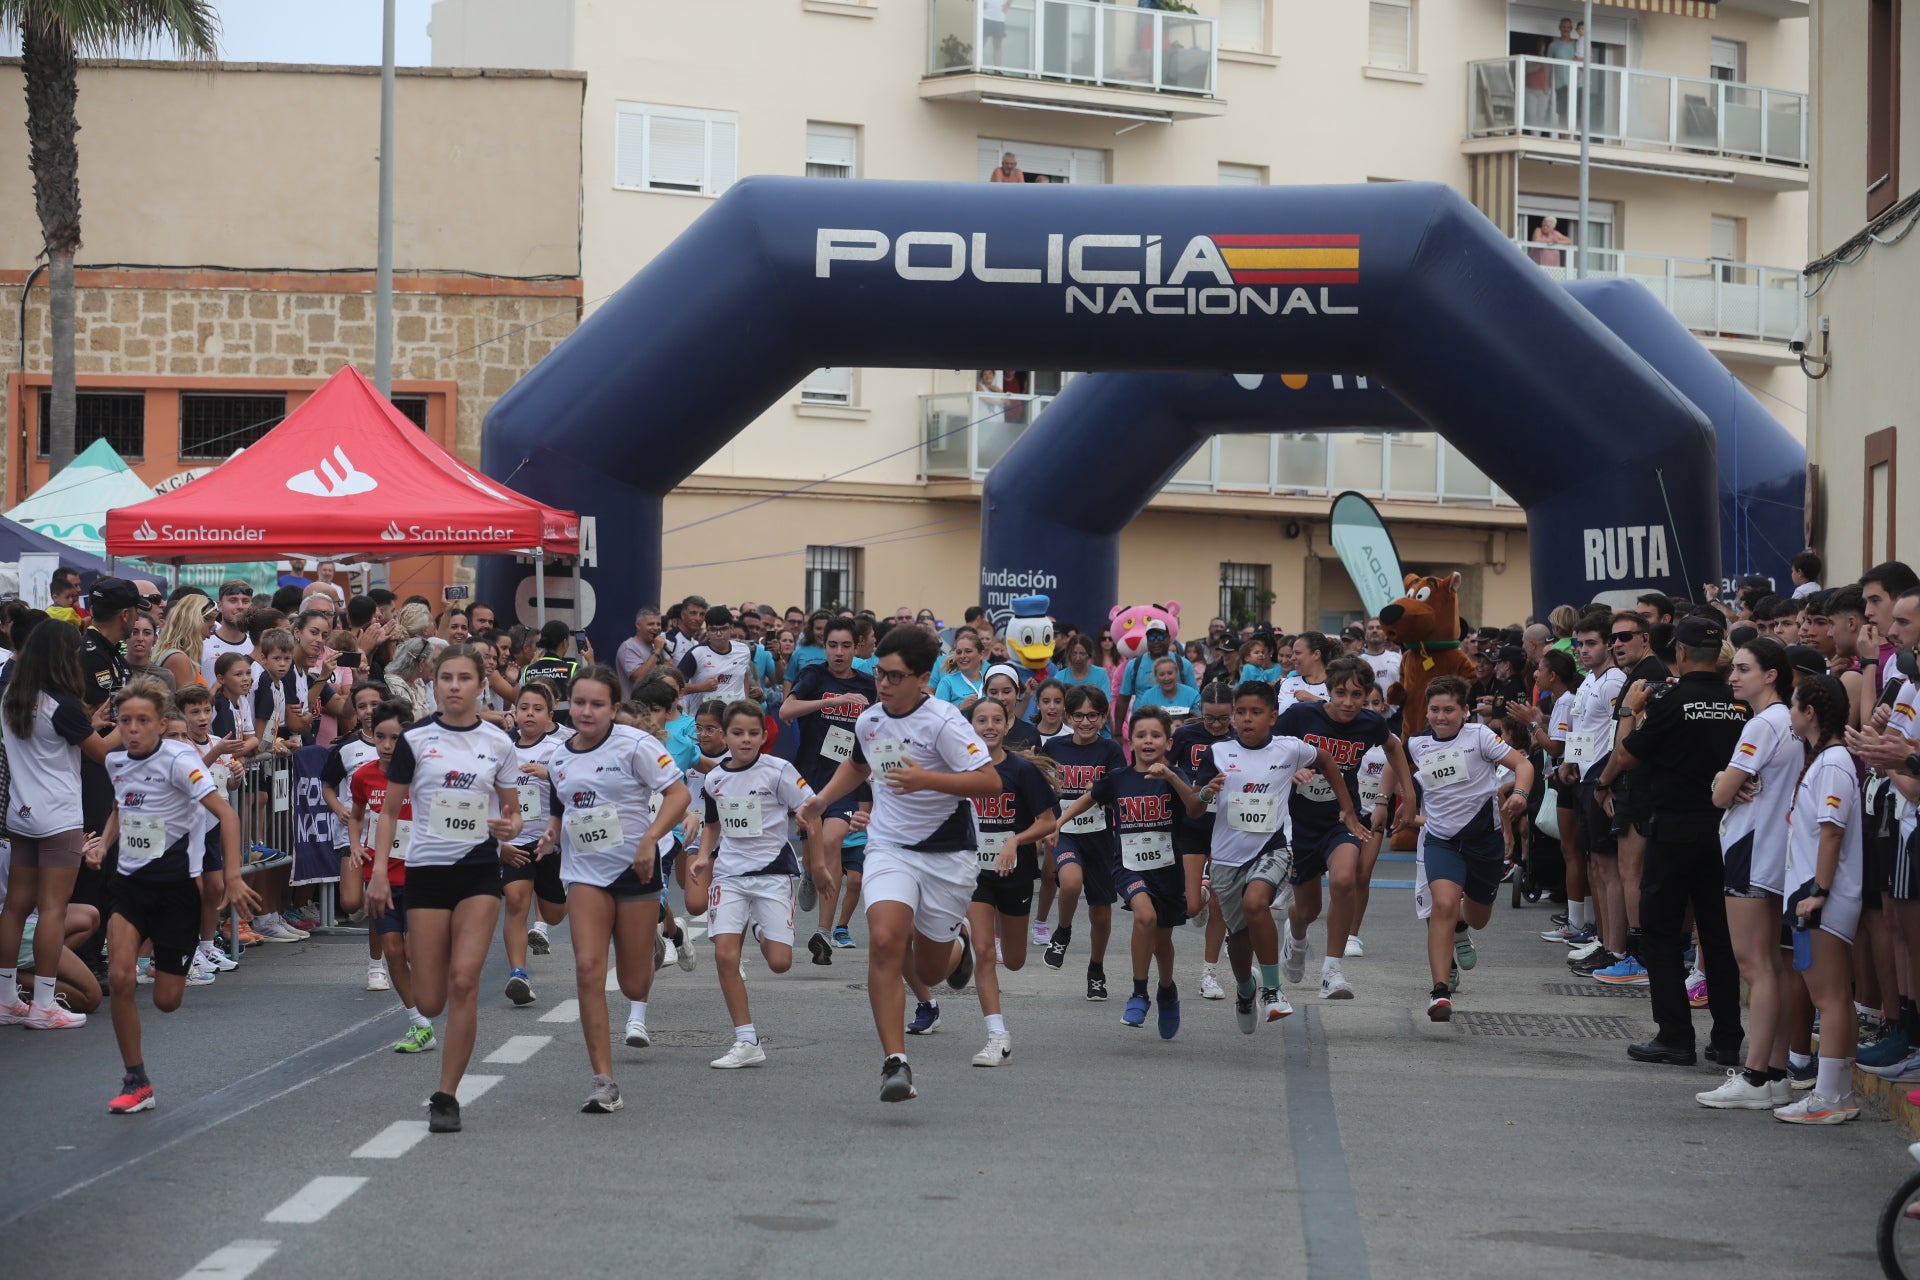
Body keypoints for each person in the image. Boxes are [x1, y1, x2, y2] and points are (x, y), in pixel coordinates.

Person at [798, 624, 1003, 1103]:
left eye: (895, 676)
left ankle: (958, 949)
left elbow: (989, 781)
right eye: (880, 675)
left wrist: (928, 779)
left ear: (922, 677)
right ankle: (896, 1061)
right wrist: (819, 801)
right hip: (888, 846)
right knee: (886, 941)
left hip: (948, 856)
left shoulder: (944, 721)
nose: (884, 685)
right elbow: (858, 763)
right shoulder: (870, 720)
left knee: (930, 971)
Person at [367, 644, 525, 1134]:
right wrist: (377, 872)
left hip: (477, 870)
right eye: (446, 678)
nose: (454, 686)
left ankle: (446, 1094)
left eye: (463, 678)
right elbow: (390, 811)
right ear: (433, 685)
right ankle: (432, 1029)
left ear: (481, 684)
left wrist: (508, 827)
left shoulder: (499, 743)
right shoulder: (416, 739)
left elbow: (513, 811)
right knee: (431, 999)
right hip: (426, 873)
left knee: (464, 982)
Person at [86, 678, 256, 1112]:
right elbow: (122, 807)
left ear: (161, 724)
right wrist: (104, 843)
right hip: (128, 886)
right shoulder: (115, 761)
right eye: (125, 721)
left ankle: (174, 974)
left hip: (177, 891)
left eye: (143, 721)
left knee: (166, 1001)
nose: (133, 729)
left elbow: (226, 816)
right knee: (122, 979)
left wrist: (232, 877)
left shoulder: (181, 761)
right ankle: (136, 1079)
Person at [1603, 614, 1746, 1067]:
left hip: (1674, 829)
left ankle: (1675, 1036)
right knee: (1719, 937)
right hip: (1727, 830)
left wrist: (1630, 709)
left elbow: (1626, 755)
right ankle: (1726, 1040)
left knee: (1662, 933)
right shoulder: (1741, 703)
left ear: (1680, 653)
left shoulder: (1670, 699)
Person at [546, 665, 690, 1111]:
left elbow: (679, 796)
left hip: (636, 870)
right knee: (588, 969)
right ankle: (604, 1082)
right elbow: (560, 802)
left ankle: (648, 942)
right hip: (585, 873)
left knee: (632, 985)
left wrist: (650, 839)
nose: (586, 712)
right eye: (580, 702)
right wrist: (550, 833)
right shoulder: (559, 756)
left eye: (597, 704)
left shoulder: (637, 744)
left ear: (613, 707)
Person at [1190, 680, 1361, 1030]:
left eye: (1256, 713)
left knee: (1257, 904)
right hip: (1226, 858)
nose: (1247, 720)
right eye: (1241, 713)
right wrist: (1207, 792)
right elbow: (1194, 809)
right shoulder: (1218, 753)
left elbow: (1328, 762)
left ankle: (1272, 990)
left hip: (1274, 849)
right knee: (1239, 939)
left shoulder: (1290, 749)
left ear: (1273, 716)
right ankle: (1245, 987)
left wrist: (1348, 810)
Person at [693, 700, 827, 1070]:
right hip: (730, 875)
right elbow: (712, 824)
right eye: (737, 733)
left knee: (780, 963)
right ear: (725, 735)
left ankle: (759, 927)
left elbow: (811, 810)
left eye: (753, 733)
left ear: (765, 735)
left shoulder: (779, 771)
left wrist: (816, 863)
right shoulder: (714, 778)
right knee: (724, 957)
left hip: (773, 873)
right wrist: (704, 856)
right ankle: (746, 1039)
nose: (745, 740)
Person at [1697, 637, 1800, 1108]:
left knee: (1755, 968)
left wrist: (1722, 781)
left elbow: (1720, 794)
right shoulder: (1791, 723)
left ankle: (1757, 1076)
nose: (1733, 677)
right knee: (1774, 967)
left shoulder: (1762, 724)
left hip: (1752, 850)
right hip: (1780, 852)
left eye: (1742, 669)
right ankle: (1775, 1072)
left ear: (1771, 674)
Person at [0, 622, 119, 1030]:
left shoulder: (12, 697)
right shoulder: (64, 704)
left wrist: (88, 721)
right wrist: (134, 722)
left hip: (22, 812)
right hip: (59, 815)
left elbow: (48, 738)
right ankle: (45, 1004)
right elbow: (101, 753)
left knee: (16, 908)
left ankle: (6, 999)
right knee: (52, 909)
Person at [1059, 705, 1205, 1037]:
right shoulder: (1119, 779)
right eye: (1141, 735)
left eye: (1156, 735)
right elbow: (1088, 798)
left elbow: (1196, 808)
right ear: (1130, 740)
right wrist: (1058, 823)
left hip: (1168, 870)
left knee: (1163, 940)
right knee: (1144, 917)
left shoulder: (1177, 777)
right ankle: (1139, 993)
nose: (1148, 740)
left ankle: (1167, 991)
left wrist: (1170, 776)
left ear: (1168, 742)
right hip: (1128, 866)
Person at [1277, 657, 1415, 1001]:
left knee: (1344, 879)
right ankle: (1295, 938)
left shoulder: (1368, 722)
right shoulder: (1300, 716)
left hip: (1343, 816)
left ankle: (1332, 971)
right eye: (1341, 693)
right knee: (1306, 910)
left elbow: (1394, 746)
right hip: (1298, 822)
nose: (1349, 702)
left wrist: (1408, 794)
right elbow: (1269, 750)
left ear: (1367, 693)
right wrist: (1290, 771)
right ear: (1328, 691)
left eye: (1357, 694)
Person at [1404, 677, 1534, 1020]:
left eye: (1449, 710)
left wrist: (1519, 794)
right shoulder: (1417, 744)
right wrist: (1391, 803)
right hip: (1441, 840)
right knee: (1443, 905)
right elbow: (1394, 763)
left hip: (1483, 842)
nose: (1441, 717)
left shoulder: (1478, 737)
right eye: (1434, 710)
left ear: (1464, 711)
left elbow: (1523, 765)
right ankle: (1439, 992)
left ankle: (1462, 930)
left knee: (1477, 917)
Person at [1773, 675, 1865, 1123]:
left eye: (1793, 706)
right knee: (1833, 999)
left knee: (1828, 1000)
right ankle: (1839, 1094)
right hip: (1815, 894)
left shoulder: (1832, 763)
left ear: (1810, 712)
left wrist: (1818, 892)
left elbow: (1832, 832)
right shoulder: (1827, 760)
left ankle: (1829, 1097)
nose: (1790, 714)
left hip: (1821, 898)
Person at [961, 697, 1058, 1064]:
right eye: (981, 720)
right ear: (970, 727)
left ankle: (978, 930)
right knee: (985, 954)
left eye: (995, 720)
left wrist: (1015, 841)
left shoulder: (1021, 771)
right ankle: (996, 1035)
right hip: (974, 874)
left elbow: (1047, 821)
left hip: (1014, 873)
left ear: (1006, 726)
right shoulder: (960, 769)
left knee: (1014, 960)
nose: (988, 726)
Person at [782, 617, 876, 954]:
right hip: (809, 780)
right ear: (825, 647)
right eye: (832, 645)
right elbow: (786, 709)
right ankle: (808, 870)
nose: (839, 652)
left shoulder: (868, 685)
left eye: (846, 646)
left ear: (857, 648)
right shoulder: (813, 676)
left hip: (846, 781)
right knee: (816, 853)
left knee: (834, 840)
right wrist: (831, 702)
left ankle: (823, 932)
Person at [347, 701, 436, 1053]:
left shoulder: (425, 774)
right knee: (393, 950)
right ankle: (419, 1023)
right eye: (379, 737)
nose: (386, 746)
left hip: (420, 878)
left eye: (395, 738)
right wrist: (355, 845)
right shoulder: (363, 776)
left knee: (415, 951)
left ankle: (437, 991)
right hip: (381, 877)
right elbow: (356, 817)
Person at [1042, 684, 1128, 995]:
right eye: (1078, 716)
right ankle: (1063, 931)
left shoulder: (1111, 751)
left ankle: (1096, 968)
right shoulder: (1054, 748)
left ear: (1104, 716)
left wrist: (1107, 796)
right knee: (1070, 882)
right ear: (1067, 716)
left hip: (1101, 837)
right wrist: (1046, 820)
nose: (1086, 722)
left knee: (1101, 912)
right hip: (1065, 833)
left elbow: (1115, 791)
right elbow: (1040, 785)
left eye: (1093, 715)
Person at [499, 683, 570, 1005]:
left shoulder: (562, 747)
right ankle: (518, 973)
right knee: (515, 901)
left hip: (551, 843)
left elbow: (582, 788)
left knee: (554, 914)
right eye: (523, 707)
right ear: (514, 712)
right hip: (515, 841)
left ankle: (553, 907)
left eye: (537, 709)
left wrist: (549, 775)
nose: (529, 714)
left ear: (549, 715)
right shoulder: (502, 748)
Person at [320, 682, 387, 987]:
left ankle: (376, 966)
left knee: (375, 903)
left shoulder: (403, 744)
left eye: (375, 705)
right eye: (362, 706)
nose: (370, 712)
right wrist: (337, 809)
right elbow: (327, 786)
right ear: (355, 712)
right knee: (350, 903)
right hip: (354, 833)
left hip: (390, 835)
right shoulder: (347, 749)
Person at [617, 606, 667, 700]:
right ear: (638, 625)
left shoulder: (656, 646)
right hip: (634, 710)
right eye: (651, 624)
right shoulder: (629, 647)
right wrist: (656, 652)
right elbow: (639, 678)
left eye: (658, 624)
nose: (656, 628)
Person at [933, 630, 987, 712]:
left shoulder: (988, 681)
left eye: (968, 651)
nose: (962, 656)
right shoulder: (947, 682)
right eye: (958, 652)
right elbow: (937, 715)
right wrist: (960, 707)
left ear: (981, 654)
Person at [1132, 655, 1201, 714]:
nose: (1166, 678)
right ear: (1156, 676)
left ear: (1176, 673)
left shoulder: (1192, 695)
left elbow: (1199, 721)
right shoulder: (1147, 698)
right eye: (1162, 674)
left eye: (1170, 673)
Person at [1280, 632, 1334, 704]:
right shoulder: (1285, 683)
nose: (1292, 658)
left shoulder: (1336, 685)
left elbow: (1340, 713)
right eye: (1293, 653)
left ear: (1316, 654)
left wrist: (1315, 700)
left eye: (1297, 653)